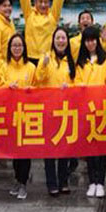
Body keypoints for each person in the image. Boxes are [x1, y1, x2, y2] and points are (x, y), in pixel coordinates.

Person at [33, 27, 76, 196]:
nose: (61, 41)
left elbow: (76, 82)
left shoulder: (70, 60)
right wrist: (43, 65)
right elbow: (38, 79)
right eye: (58, 38)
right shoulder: (46, 59)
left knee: (65, 148)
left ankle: (63, 181)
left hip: (66, 110)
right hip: (49, 110)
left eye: (63, 38)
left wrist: (69, 87)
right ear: (53, 40)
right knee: (50, 149)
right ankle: (52, 183)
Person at [75, 26, 106, 198]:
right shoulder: (80, 62)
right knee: (90, 149)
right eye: (87, 40)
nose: (90, 43)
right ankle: (92, 182)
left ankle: (101, 182)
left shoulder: (105, 60)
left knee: (102, 149)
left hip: (102, 110)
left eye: (93, 40)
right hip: (86, 110)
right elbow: (76, 82)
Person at [0, 33, 36, 200]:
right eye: (14, 46)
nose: (17, 48)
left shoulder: (31, 67)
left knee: (25, 151)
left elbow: (37, 86)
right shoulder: (3, 67)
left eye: (20, 45)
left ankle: (23, 182)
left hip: (27, 115)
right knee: (14, 152)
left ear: (24, 48)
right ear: (9, 49)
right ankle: (17, 180)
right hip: (10, 114)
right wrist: (7, 86)